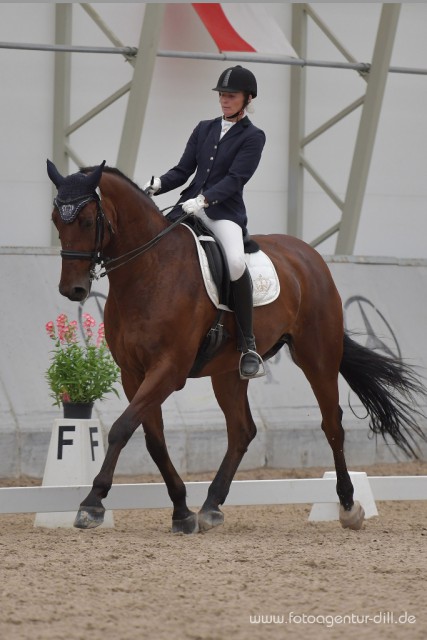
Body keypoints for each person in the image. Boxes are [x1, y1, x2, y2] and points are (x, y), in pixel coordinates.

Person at [143, 65, 266, 379]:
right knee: (153, 246)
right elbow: (183, 170)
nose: (225, 101)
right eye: (222, 95)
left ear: (247, 98)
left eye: (231, 96)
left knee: (236, 263)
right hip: (188, 207)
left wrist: (205, 199)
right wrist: (158, 183)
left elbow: (237, 179)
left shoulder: (253, 137)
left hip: (223, 213)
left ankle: (247, 344)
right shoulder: (204, 128)